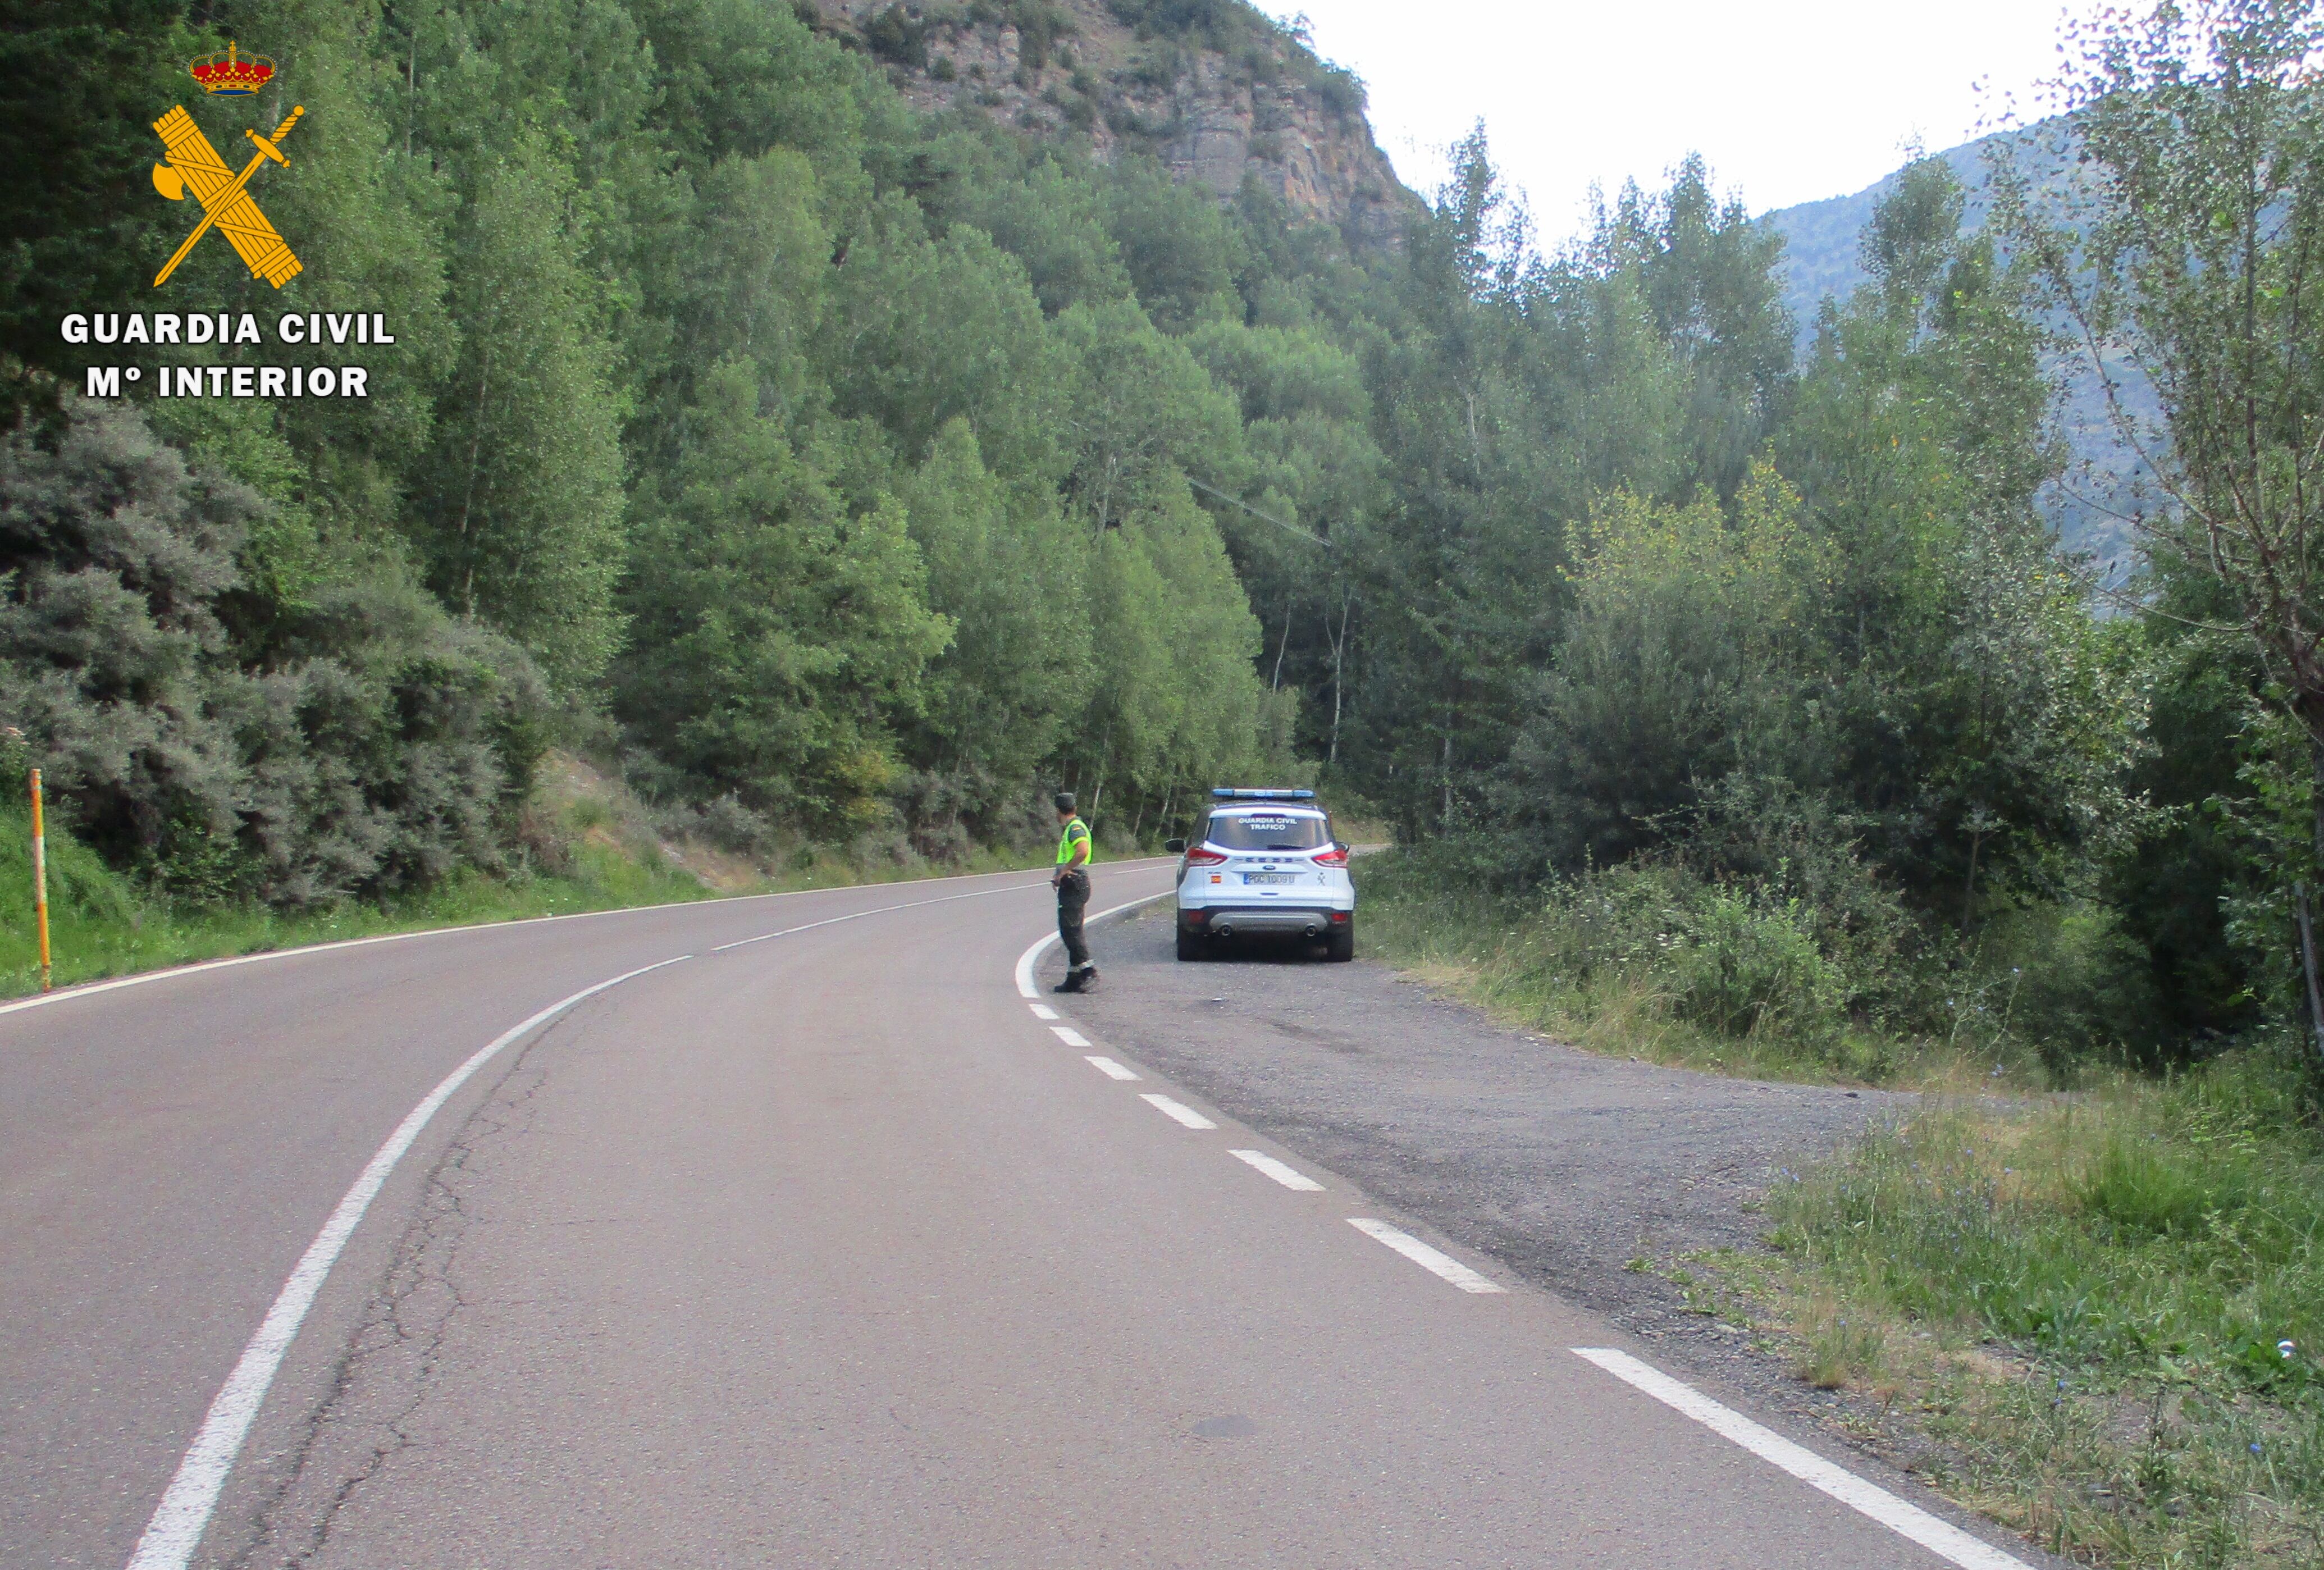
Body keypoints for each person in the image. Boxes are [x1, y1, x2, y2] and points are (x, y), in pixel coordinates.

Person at [1050, 791, 1097, 993]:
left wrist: (1065, 871)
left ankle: (1087, 969)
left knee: (1070, 930)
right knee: (1071, 928)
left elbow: (1083, 851)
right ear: (1074, 808)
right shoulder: (1073, 827)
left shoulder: (1075, 828)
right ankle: (1074, 977)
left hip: (1075, 882)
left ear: (1058, 811)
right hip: (1074, 882)